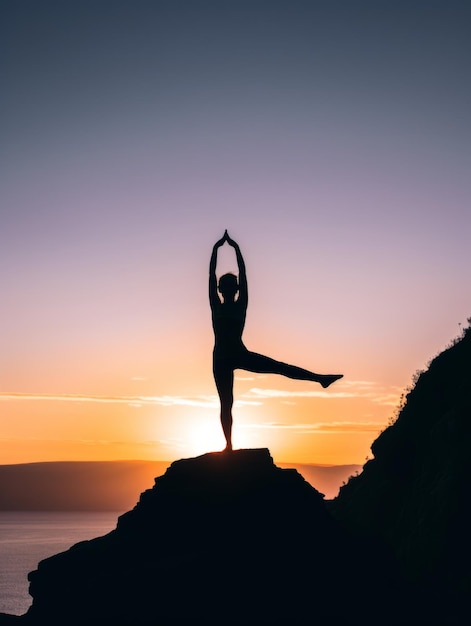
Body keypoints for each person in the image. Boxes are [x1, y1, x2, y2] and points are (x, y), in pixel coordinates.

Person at [209, 230, 343, 452]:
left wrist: (234, 249)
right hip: (222, 359)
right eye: (226, 286)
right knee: (226, 403)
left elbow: (242, 272)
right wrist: (217, 250)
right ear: (221, 289)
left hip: (236, 353)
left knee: (279, 368)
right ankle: (229, 446)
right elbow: (211, 276)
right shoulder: (217, 305)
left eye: (232, 285)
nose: (229, 288)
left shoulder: (240, 304)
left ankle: (320, 378)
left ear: (236, 289)